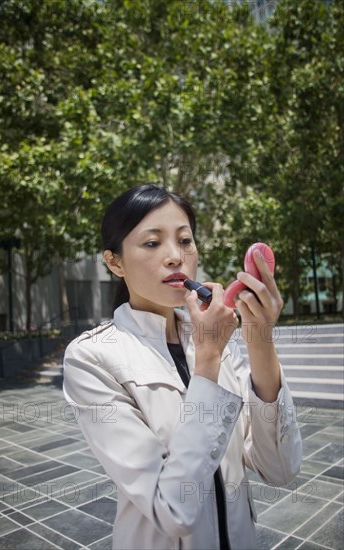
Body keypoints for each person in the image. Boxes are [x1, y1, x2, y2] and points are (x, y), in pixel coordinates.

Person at [63, 184, 302, 550]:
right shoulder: (92, 357)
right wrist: (208, 359)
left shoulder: (211, 337)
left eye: (185, 241)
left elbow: (280, 469)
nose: (175, 256)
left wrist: (259, 338)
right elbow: (172, 510)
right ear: (114, 262)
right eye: (152, 243)